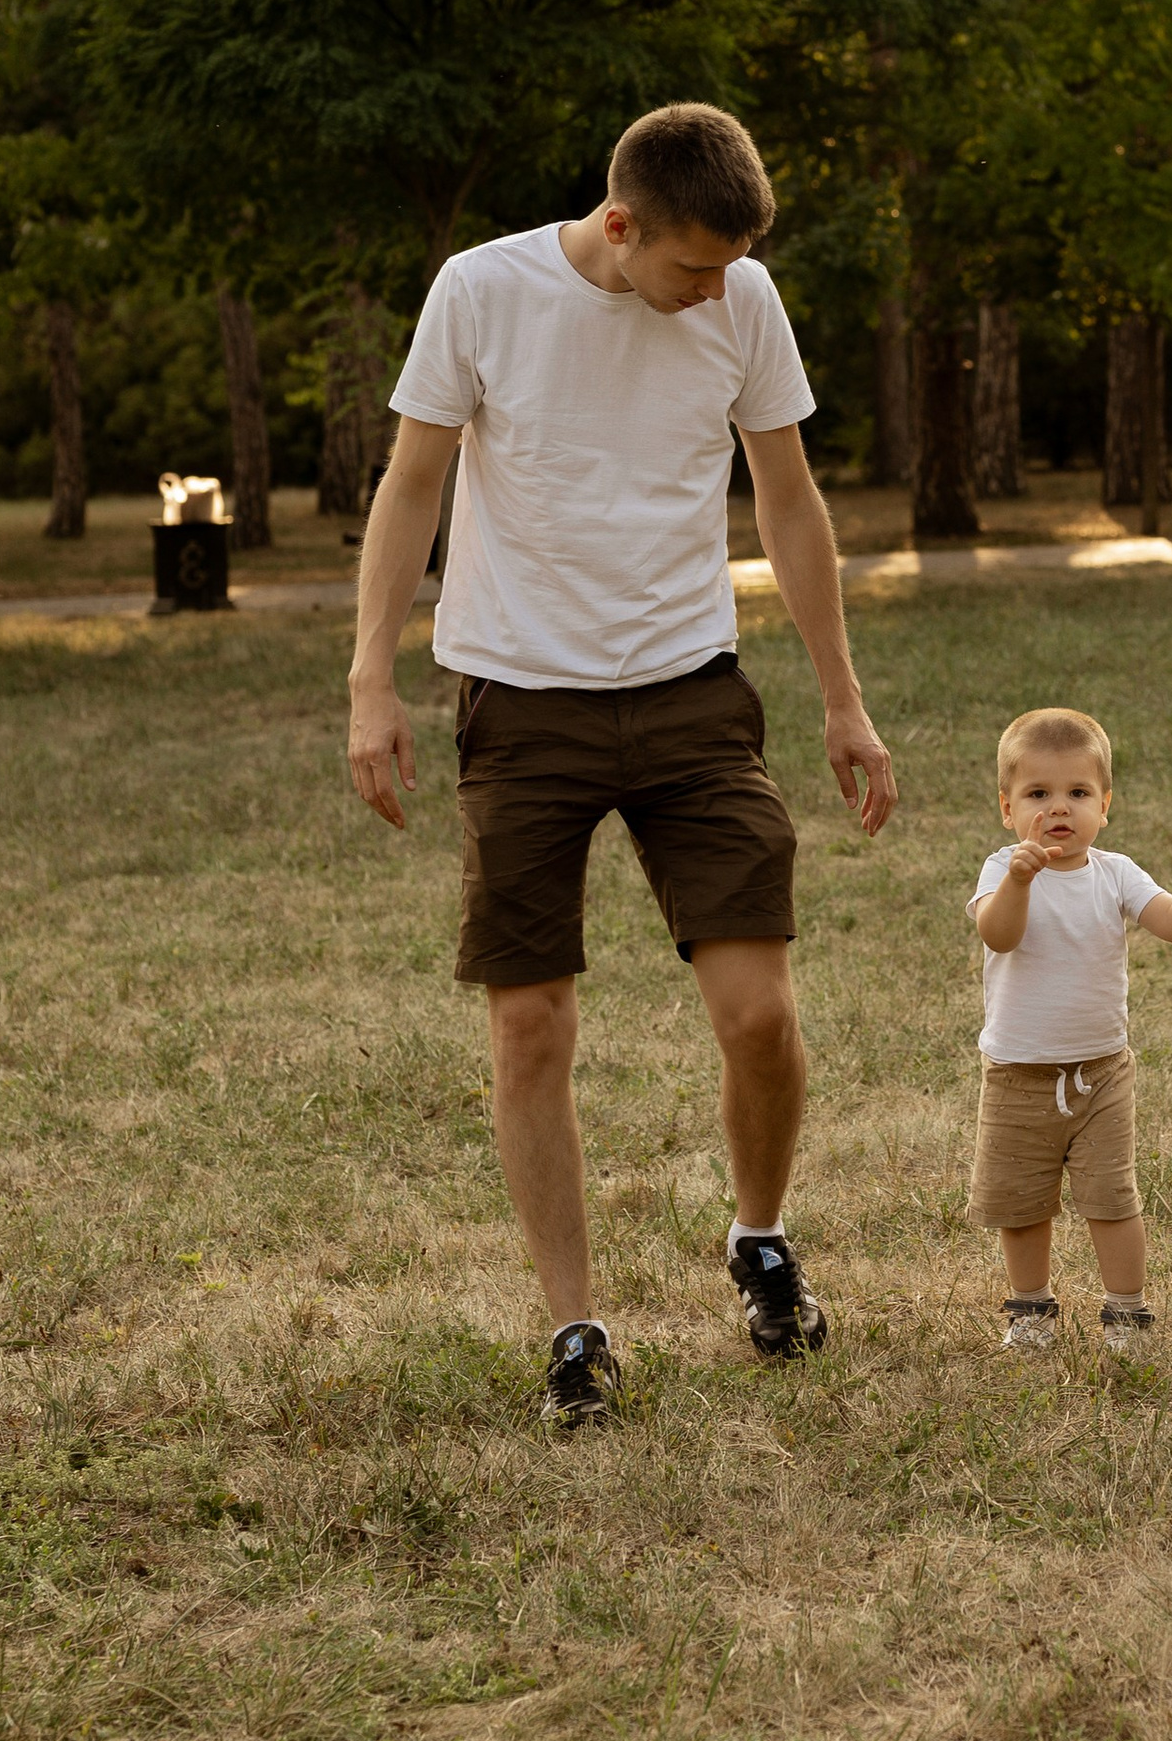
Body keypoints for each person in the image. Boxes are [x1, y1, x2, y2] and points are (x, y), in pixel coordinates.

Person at [345, 102, 896, 1429]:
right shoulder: (482, 292)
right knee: (531, 1022)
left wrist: (843, 700)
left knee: (758, 1011)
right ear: (619, 224)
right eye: (692, 269)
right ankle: (576, 1328)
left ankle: (759, 1239)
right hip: (521, 703)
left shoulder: (743, 299)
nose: (713, 293)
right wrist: (370, 677)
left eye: (729, 270)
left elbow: (791, 499)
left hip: (694, 695)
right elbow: (412, 483)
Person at [968, 708, 1172, 1357]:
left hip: (1102, 1074)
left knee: (1112, 1199)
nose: (1058, 809)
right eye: (1038, 794)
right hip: (1018, 1074)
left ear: (1105, 805)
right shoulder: (1002, 870)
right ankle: (1031, 1309)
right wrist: (1022, 881)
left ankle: (1126, 1313)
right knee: (1022, 1204)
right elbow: (997, 934)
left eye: (1078, 793)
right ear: (1008, 808)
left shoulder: (1114, 873)